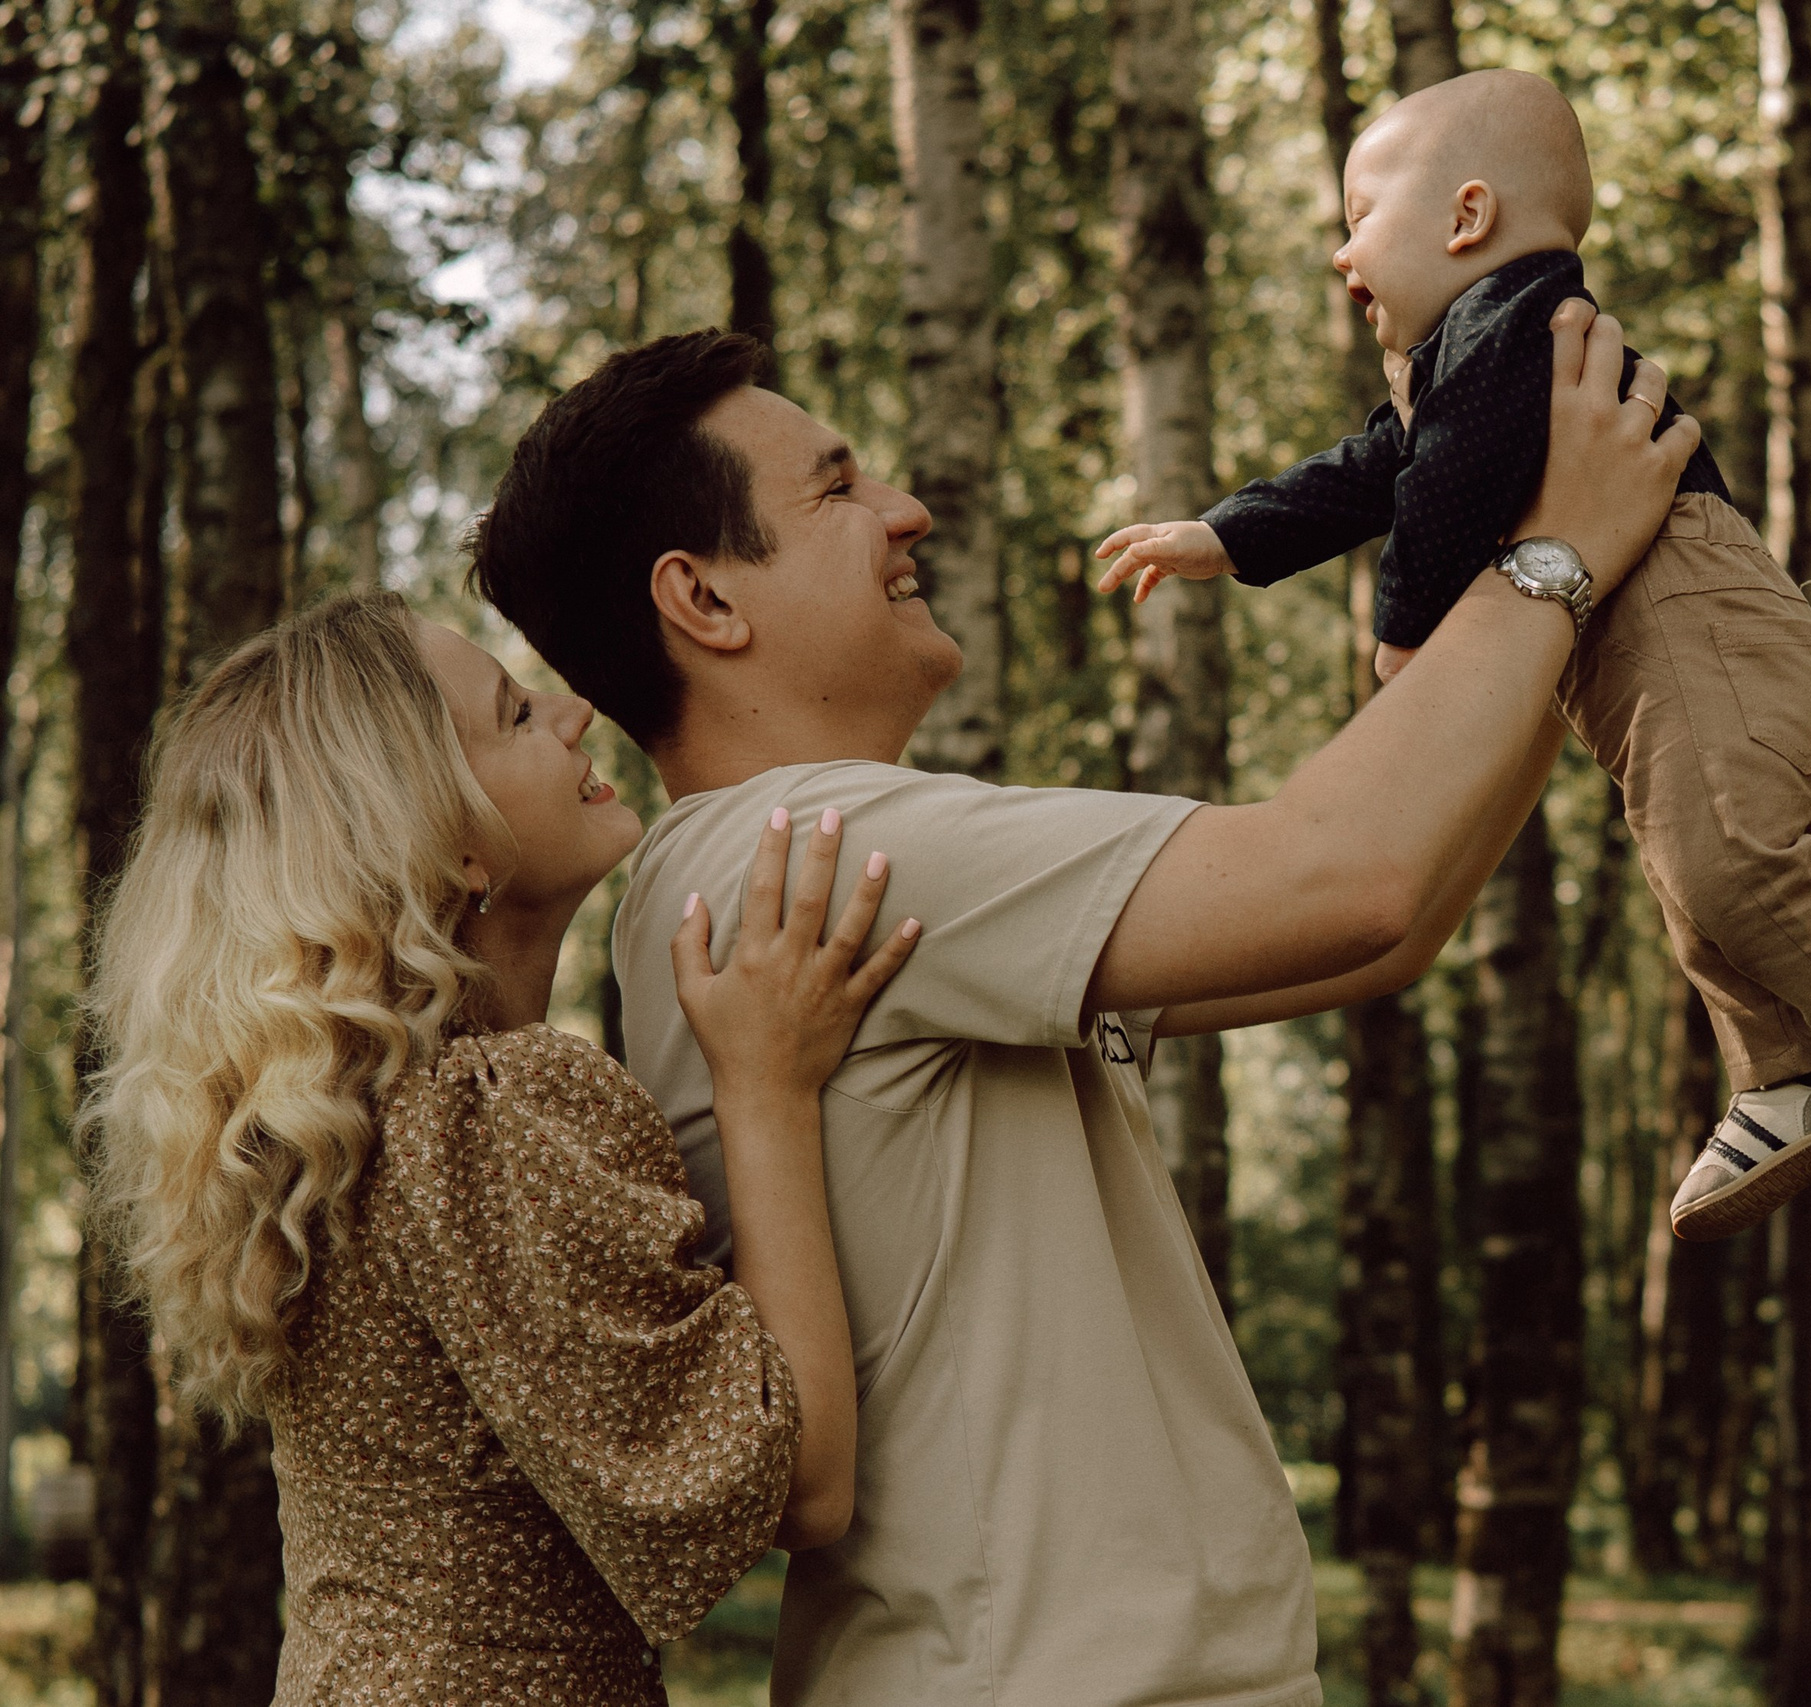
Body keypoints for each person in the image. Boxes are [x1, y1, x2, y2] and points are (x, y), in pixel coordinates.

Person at [466, 305, 1688, 1707]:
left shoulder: (788, 864)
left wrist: (1545, 587)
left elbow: (1379, 934)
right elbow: (1348, 881)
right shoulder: (811, 851)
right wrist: (1549, 559)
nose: (906, 510)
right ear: (706, 601)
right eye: (839, 487)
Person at [1094, 68, 1811, 1240]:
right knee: (1685, 866)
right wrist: (1227, 533)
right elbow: (1380, 470)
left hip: (1700, 621)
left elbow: (1441, 493)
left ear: (1465, 219)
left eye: (1357, 220)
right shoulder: (1463, 359)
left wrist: (1404, 641)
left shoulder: (1520, 326)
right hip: (1648, 650)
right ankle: (1783, 1072)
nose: (1340, 256)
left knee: (1723, 857)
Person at [82, 592, 921, 1705]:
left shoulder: (338, 1132)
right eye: (517, 714)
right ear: (449, 840)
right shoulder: (491, 1116)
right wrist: (765, 1086)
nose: (575, 715)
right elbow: (798, 1490)